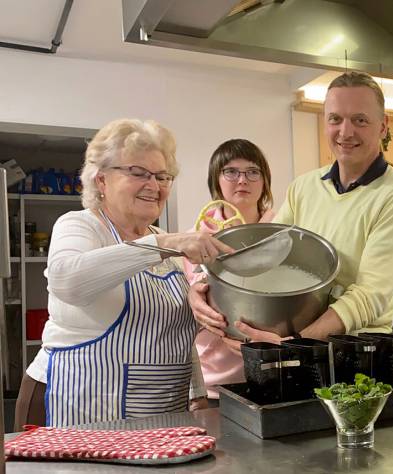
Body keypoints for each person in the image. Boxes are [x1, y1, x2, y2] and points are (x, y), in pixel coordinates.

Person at [14, 118, 234, 429]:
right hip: (79, 408)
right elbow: (67, 282)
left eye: (162, 176)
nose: (154, 186)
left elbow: (175, 333)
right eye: (137, 173)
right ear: (101, 180)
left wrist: (196, 391)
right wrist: (163, 242)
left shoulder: (163, 243)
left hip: (159, 414)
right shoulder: (81, 225)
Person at [189, 71, 393, 348]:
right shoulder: (305, 188)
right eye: (335, 119)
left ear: (383, 126)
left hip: (357, 354)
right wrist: (202, 286)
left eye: (360, 120)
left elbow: (370, 295)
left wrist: (294, 343)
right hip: (298, 346)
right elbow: (267, 255)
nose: (345, 132)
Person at [184, 139, 275, 400]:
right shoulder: (194, 240)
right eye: (231, 172)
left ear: (265, 181)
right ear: (216, 180)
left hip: (272, 372)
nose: (242, 180)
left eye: (252, 172)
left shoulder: (283, 231)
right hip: (213, 383)